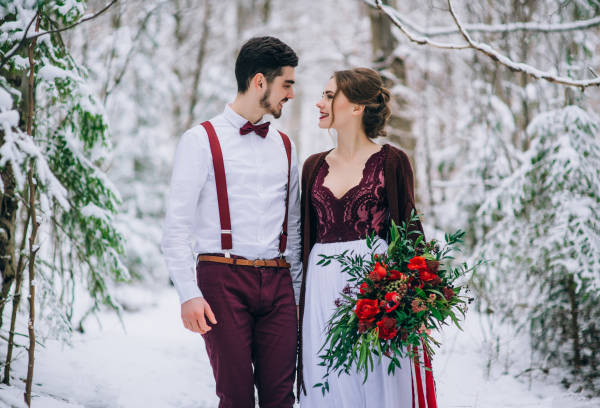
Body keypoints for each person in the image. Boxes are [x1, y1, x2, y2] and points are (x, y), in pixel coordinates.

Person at [161, 36, 302, 408]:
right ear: (260, 82)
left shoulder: (286, 146)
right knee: (236, 397)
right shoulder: (200, 140)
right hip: (221, 278)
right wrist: (188, 293)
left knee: (280, 397)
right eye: (286, 84)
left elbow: (296, 230)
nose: (290, 94)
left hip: (278, 283)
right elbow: (176, 227)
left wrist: (299, 296)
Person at [297, 67, 437, 407]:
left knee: (377, 380)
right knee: (327, 378)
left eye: (330, 96)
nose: (320, 102)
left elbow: (409, 229)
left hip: (374, 286)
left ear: (357, 106)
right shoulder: (312, 166)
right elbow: (303, 239)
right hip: (320, 288)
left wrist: (422, 292)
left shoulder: (392, 160)